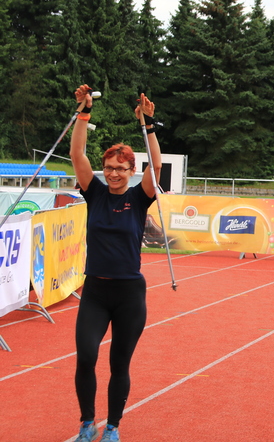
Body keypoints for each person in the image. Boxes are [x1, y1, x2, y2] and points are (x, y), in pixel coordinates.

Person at [70, 85, 161, 442]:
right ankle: (86, 422)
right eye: (108, 168)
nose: (113, 174)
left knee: (118, 364)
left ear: (131, 170)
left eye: (120, 169)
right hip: (95, 291)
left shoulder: (140, 198)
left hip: (128, 295)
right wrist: (84, 113)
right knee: (85, 356)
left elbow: (156, 165)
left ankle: (112, 427)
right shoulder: (94, 192)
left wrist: (147, 125)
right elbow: (77, 154)